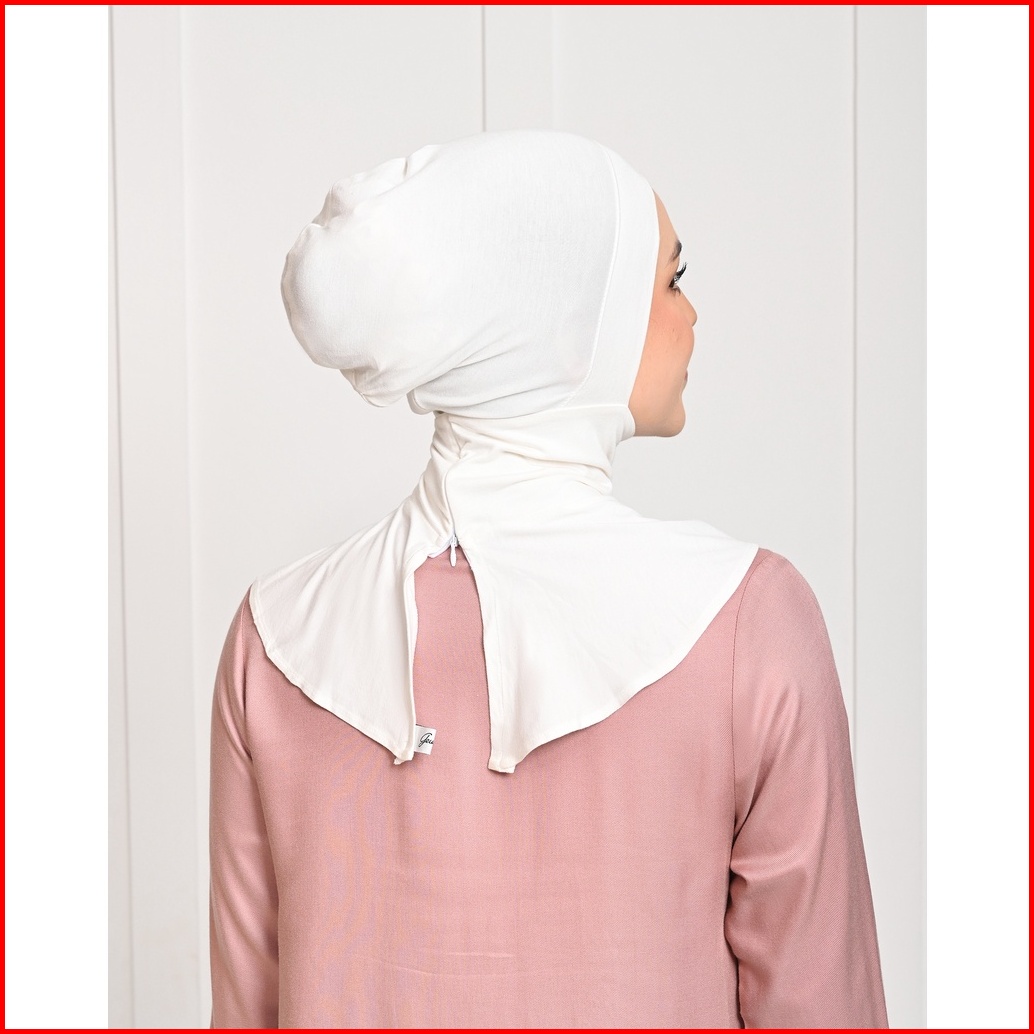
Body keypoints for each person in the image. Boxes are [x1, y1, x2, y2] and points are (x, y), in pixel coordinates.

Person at [209, 129, 888, 1028]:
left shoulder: (275, 640)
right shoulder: (748, 623)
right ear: (572, 320)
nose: (690, 314)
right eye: (671, 280)